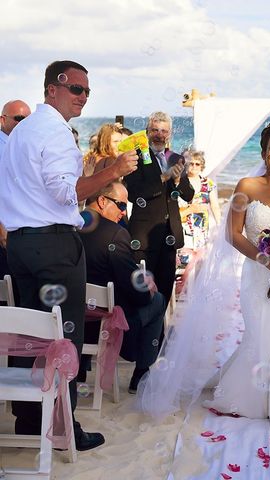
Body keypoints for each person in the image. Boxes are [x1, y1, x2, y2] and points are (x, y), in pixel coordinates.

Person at [139, 120, 270, 440]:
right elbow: (233, 233)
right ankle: (256, 397)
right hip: (258, 275)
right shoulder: (246, 186)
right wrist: (264, 258)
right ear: (264, 151)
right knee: (262, 337)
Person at [0, 60, 138, 450]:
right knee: (65, 336)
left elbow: (29, 188)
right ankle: (64, 428)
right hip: (54, 247)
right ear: (51, 89)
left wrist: (100, 168)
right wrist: (113, 172)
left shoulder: (22, 130)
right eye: (76, 89)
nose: (82, 97)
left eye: (87, 91)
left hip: (22, 245)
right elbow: (66, 193)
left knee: (32, 336)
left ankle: (30, 420)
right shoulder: (56, 132)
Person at [80, 181, 165, 394]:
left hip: (72, 317)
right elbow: (136, 293)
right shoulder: (115, 234)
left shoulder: (66, 226)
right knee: (157, 301)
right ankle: (141, 373)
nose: (124, 212)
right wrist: (148, 289)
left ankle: (81, 368)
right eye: (120, 205)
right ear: (101, 200)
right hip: (106, 324)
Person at [125, 112, 195, 312]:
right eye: (155, 130)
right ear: (147, 132)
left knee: (163, 294)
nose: (159, 135)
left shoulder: (175, 158)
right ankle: (142, 341)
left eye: (163, 131)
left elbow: (189, 195)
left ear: (169, 134)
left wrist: (178, 181)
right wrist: (163, 178)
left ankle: (160, 340)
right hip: (144, 239)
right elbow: (134, 193)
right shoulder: (137, 158)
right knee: (142, 296)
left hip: (169, 236)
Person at [0, 99, 31, 279]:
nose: (23, 124)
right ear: (2, 120)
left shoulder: (21, 146)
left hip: (22, 233)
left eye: (28, 119)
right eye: (19, 118)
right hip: (6, 233)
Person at [178, 150, 221, 251]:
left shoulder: (207, 183)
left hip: (202, 227)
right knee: (183, 260)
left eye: (197, 164)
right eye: (191, 163)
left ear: (202, 166)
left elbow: (215, 206)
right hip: (183, 225)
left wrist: (219, 225)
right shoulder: (179, 182)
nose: (194, 166)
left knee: (199, 260)